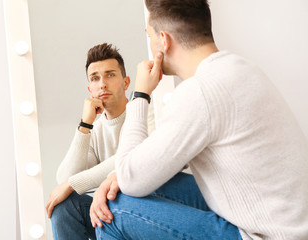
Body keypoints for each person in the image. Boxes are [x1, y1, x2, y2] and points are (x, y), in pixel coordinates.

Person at [89, 0, 308, 239]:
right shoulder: (240, 68)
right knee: (137, 185)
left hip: (268, 235)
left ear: (164, 40)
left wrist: (140, 95)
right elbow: (148, 165)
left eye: (149, 36)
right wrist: (117, 176)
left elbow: (131, 177)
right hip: (286, 224)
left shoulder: (200, 91)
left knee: (112, 211)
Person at [45, 43, 131, 240]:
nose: (102, 84)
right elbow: (65, 177)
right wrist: (85, 125)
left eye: (110, 75)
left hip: (141, 210)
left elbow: (127, 157)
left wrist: (70, 184)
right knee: (65, 205)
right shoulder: (96, 129)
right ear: (89, 89)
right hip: (109, 213)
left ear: (126, 82)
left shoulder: (144, 110)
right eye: (95, 78)